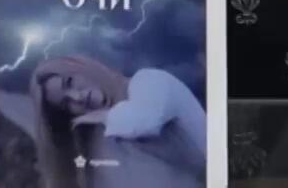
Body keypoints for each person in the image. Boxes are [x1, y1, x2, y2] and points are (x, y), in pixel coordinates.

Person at [29, 55, 206, 186]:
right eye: (67, 103)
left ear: (80, 67)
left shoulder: (149, 80)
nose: (77, 97)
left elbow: (146, 121)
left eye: (69, 82)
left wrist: (104, 116)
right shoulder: (111, 133)